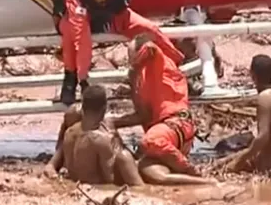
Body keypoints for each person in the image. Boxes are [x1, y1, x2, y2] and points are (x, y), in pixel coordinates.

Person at [48, 34, 217, 185]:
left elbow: (151, 47)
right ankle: (52, 164)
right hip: (160, 133)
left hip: (175, 124)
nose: (130, 60)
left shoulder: (160, 62)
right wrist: (112, 122)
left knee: (148, 142)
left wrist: (134, 67)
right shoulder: (141, 76)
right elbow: (143, 115)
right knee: (152, 173)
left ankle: (192, 171)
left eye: (131, 55)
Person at [52, 0, 185, 106]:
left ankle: (179, 63)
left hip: (115, 17)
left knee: (150, 29)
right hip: (78, 21)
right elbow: (82, 40)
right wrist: (83, 78)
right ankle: (70, 79)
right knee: (70, 34)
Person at [44, 85, 144, 186]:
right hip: (96, 186)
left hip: (76, 181)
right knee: (125, 157)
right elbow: (110, 179)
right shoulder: (101, 140)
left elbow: (52, 165)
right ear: (104, 109)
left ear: (83, 107)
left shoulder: (68, 133)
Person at [211, 54, 271, 173]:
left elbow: (263, 137)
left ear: (253, 74)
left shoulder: (264, 98)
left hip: (269, 167)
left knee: (226, 170)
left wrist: (239, 161)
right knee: (226, 160)